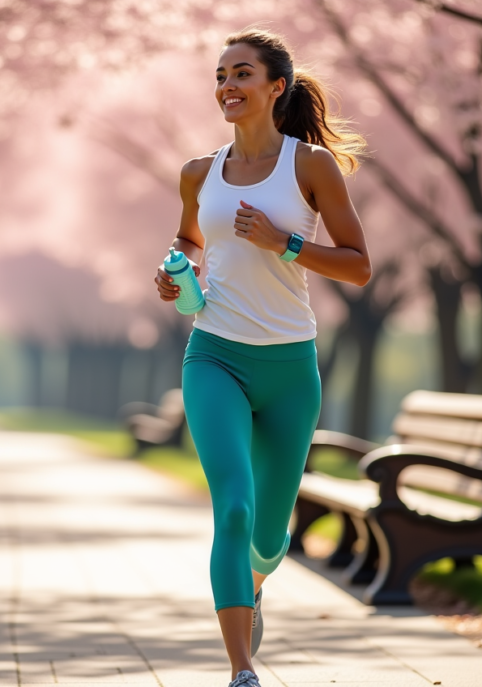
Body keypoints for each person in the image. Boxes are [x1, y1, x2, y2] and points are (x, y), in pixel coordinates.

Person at [154, 27, 371, 687]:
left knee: (270, 537)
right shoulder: (198, 173)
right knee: (235, 507)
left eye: (242, 74)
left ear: (276, 87)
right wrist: (174, 274)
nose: (227, 86)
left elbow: (359, 267)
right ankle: (241, 668)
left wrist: (286, 243)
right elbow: (190, 241)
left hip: (289, 367)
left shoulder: (309, 166)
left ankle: (252, 588)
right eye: (221, 75)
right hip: (214, 356)